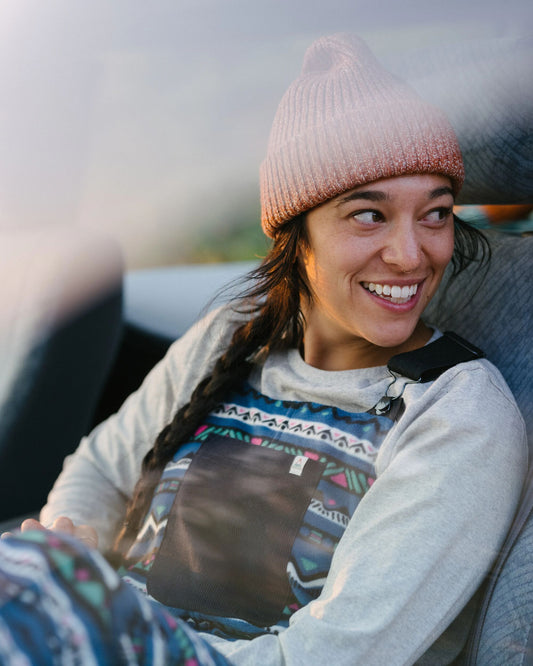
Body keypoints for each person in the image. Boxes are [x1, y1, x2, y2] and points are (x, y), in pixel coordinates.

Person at [0, 33, 527, 665]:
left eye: (436, 214)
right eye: (369, 215)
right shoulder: (234, 334)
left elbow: (330, 657)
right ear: (295, 233)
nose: (412, 255)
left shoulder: (456, 413)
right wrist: (74, 555)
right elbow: (99, 470)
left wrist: (94, 617)